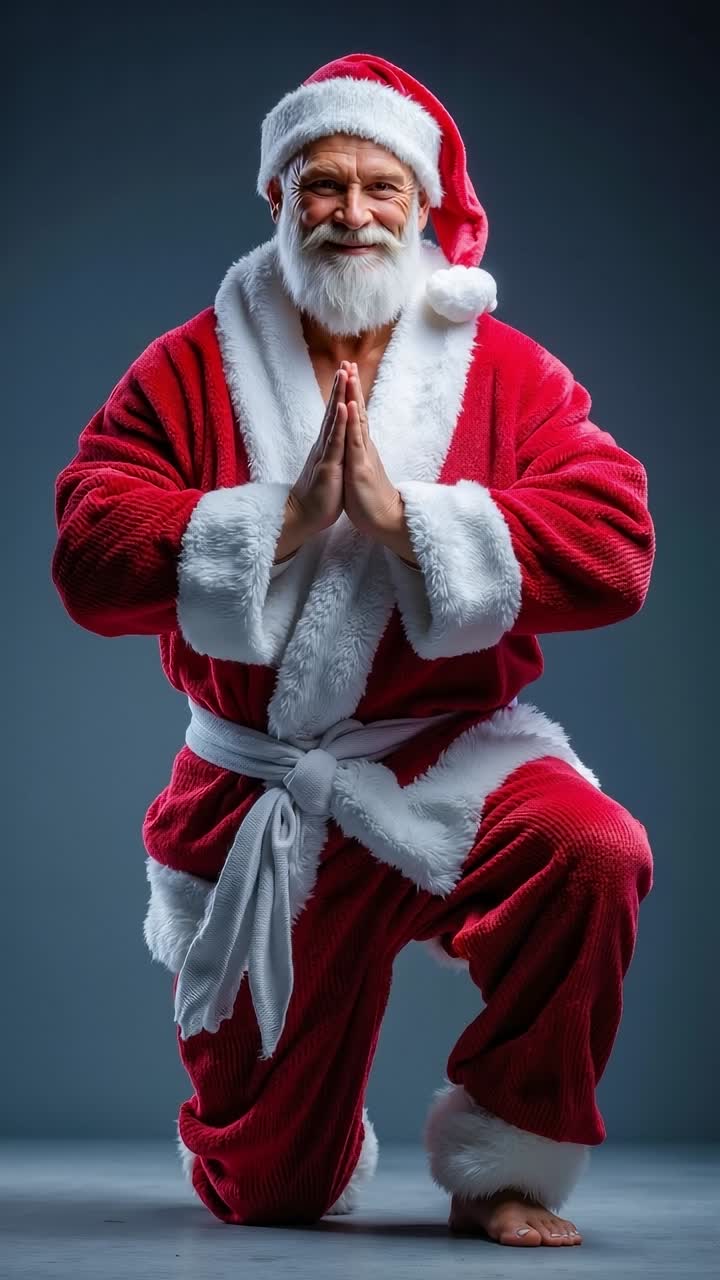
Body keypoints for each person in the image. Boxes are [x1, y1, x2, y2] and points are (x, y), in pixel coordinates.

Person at [51, 51, 655, 1247]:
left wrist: (402, 519)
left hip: (446, 761)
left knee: (591, 848)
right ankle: (279, 1127)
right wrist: (278, 518)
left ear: (423, 209)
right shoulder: (187, 368)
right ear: (278, 198)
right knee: (268, 1191)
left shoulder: (506, 371)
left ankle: (505, 1160)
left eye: (384, 187)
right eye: (323, 183)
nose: (354, 211)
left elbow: (617, 540)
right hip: (262, 791)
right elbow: (87, 546)